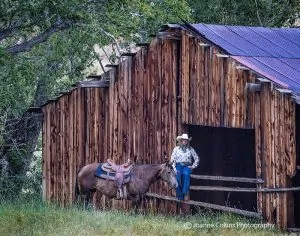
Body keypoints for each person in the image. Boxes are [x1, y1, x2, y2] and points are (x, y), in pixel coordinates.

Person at [170, 133, 199, 201]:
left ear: (188, 141)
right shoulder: (176, 149)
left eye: (186, 140)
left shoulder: (191, 149)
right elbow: (172, 159)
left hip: (187, 166)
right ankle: (180, 196)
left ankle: (185, 193)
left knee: (186, 174)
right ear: (181, 141)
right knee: (177, 178)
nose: (185, 141)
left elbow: (197, 158)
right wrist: (174, 168)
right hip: (178, 165)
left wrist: (192, 166)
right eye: (183, 140)